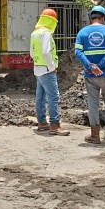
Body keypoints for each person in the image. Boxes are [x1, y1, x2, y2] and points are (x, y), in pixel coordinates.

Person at [74, 6, 105, 144]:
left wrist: (90, 67)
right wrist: (101, 66)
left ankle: (95, 136)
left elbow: (78, 52)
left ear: (91, 18)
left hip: (90, 76)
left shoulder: (82, 32)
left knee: (93, 104)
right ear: (103, 18)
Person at [30, 8, 69, 136]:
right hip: (47, 70)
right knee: (53, 97)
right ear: (51, 21)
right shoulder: (46, 33)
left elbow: (31, 53)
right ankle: (54, 125)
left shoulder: (34, 33)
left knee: (40, 97)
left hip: (37, 69)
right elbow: (46, 52)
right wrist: (52, 66)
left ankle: (41, 122)